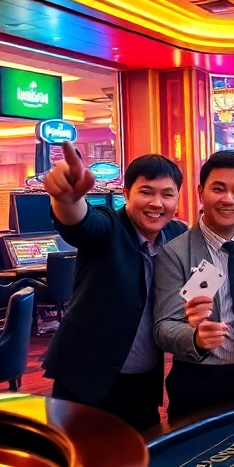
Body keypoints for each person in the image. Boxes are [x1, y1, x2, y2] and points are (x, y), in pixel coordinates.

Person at [41, 143, 187, 430]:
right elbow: (81, 223)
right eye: (146, 192)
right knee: (81, 453)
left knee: (140, 452)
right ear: (126, 194)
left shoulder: (176, 234)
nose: (157, 203)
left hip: (144, 382)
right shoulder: (109, 226)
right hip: (87, 378)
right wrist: (66, 200)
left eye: (167, 194)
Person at [155, 151, 234, 420]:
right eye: (218, 189)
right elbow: (164, 327)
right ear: (200, 192)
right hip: (201, 383)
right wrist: (195, 338)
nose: (228, 199)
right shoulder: (175, 253)